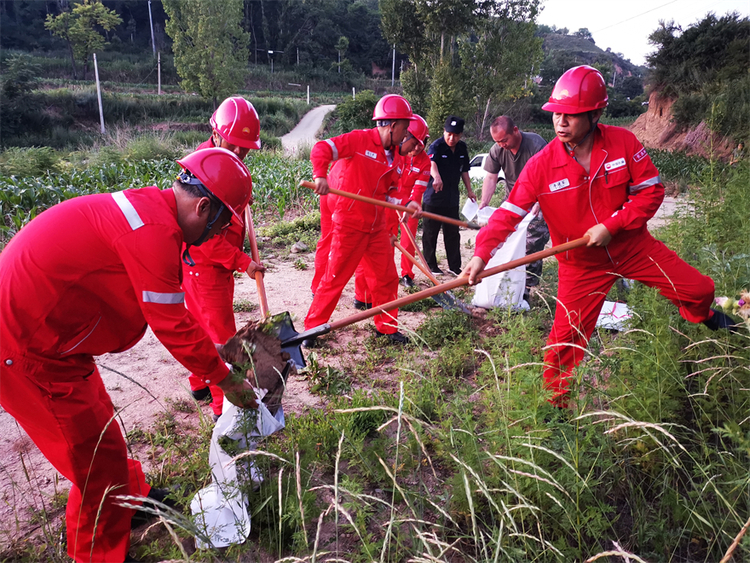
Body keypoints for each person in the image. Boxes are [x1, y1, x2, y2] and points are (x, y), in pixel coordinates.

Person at [0, 147, 259, 563]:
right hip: (25, 347)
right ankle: (94, 554)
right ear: (203, 206)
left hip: (56, 339)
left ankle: (132, 497)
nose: (215, 237)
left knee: (101, 425)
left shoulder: (153, 213)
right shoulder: (151, 234)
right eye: (219, 226)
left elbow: (171, 313)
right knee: (90, 457)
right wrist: (225, 378)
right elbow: (172, 323)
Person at [465, 66, 737, 409]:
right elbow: (507, 215)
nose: (560, 122)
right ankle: (556, 409)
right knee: (564, 345)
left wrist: (614, 225)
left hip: (632, 247)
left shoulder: (623, 143)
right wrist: (480, 255)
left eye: (571, 115)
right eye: (556, 114)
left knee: (700, 290)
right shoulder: (541, 165)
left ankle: (700, 315)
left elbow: (651, 192)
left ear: (595, 114)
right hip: (581, 266)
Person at [305, 94, 419, 345]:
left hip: (376, 228)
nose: (406, 133)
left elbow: (390, 195)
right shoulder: (358, 140)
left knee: (386, 278)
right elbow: (322, 148)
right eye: (405, 127)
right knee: (334, 278)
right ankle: (311, 330)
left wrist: (407, 204)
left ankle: (386, 329)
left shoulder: (396, 157)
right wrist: (320, 175)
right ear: (392, 125)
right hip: (350, 224)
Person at [184, 96, 266, 421]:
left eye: (246, 148)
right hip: (204, 268)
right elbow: (205, 242)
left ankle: (199, 384)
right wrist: (243, 261)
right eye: (235, 145)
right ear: (216, 134)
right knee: (222, 339)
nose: (241, 154)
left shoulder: (224, 160)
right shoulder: (201, 173)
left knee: (199, 328)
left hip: (199, 268)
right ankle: (223, 409)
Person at [479, 116, 548, 302]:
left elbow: (548, 176)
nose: (502, 144)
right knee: (502, 236)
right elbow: (491, 177)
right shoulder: (497, 150)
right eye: (498, 141)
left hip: (539, 198)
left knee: (532, 241)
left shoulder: (536, 145)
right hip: (514, 199)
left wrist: (539, 201)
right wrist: (484, 203)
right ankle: (504, 279)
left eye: (504, 140)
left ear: (515, 130)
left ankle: (527, 285)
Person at [423, 116, 476, 276]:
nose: (452, 138)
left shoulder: (462, 149)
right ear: (444, 131)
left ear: (460, 135)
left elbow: (464, 171)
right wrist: (437, 176)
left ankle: (454, 266)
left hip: (452, 199)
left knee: (453, 233)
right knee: (430, 233)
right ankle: (431, 265)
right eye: (449, 134)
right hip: (434, 197)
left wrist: (470, 190)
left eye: (456, 135)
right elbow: (430, 163)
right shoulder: (437, 146)